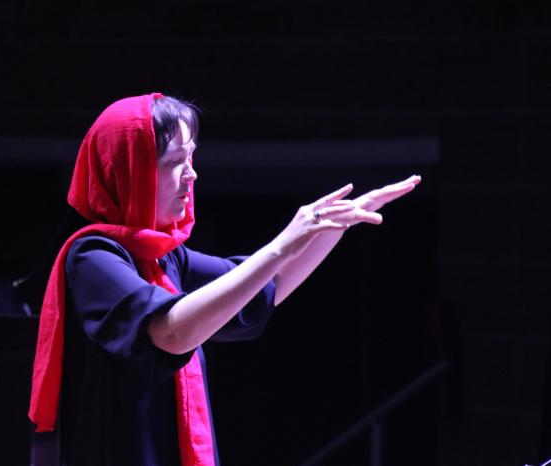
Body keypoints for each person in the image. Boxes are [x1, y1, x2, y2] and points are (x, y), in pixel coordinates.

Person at [29, 93, 421, 466]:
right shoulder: (93, 257)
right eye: (174, 161)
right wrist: (282, 244)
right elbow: (172, 332)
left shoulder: (167, 258)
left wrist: (335, 225)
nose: (191, 174)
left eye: (191, 157)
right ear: (129, 171)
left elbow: (264, 287)